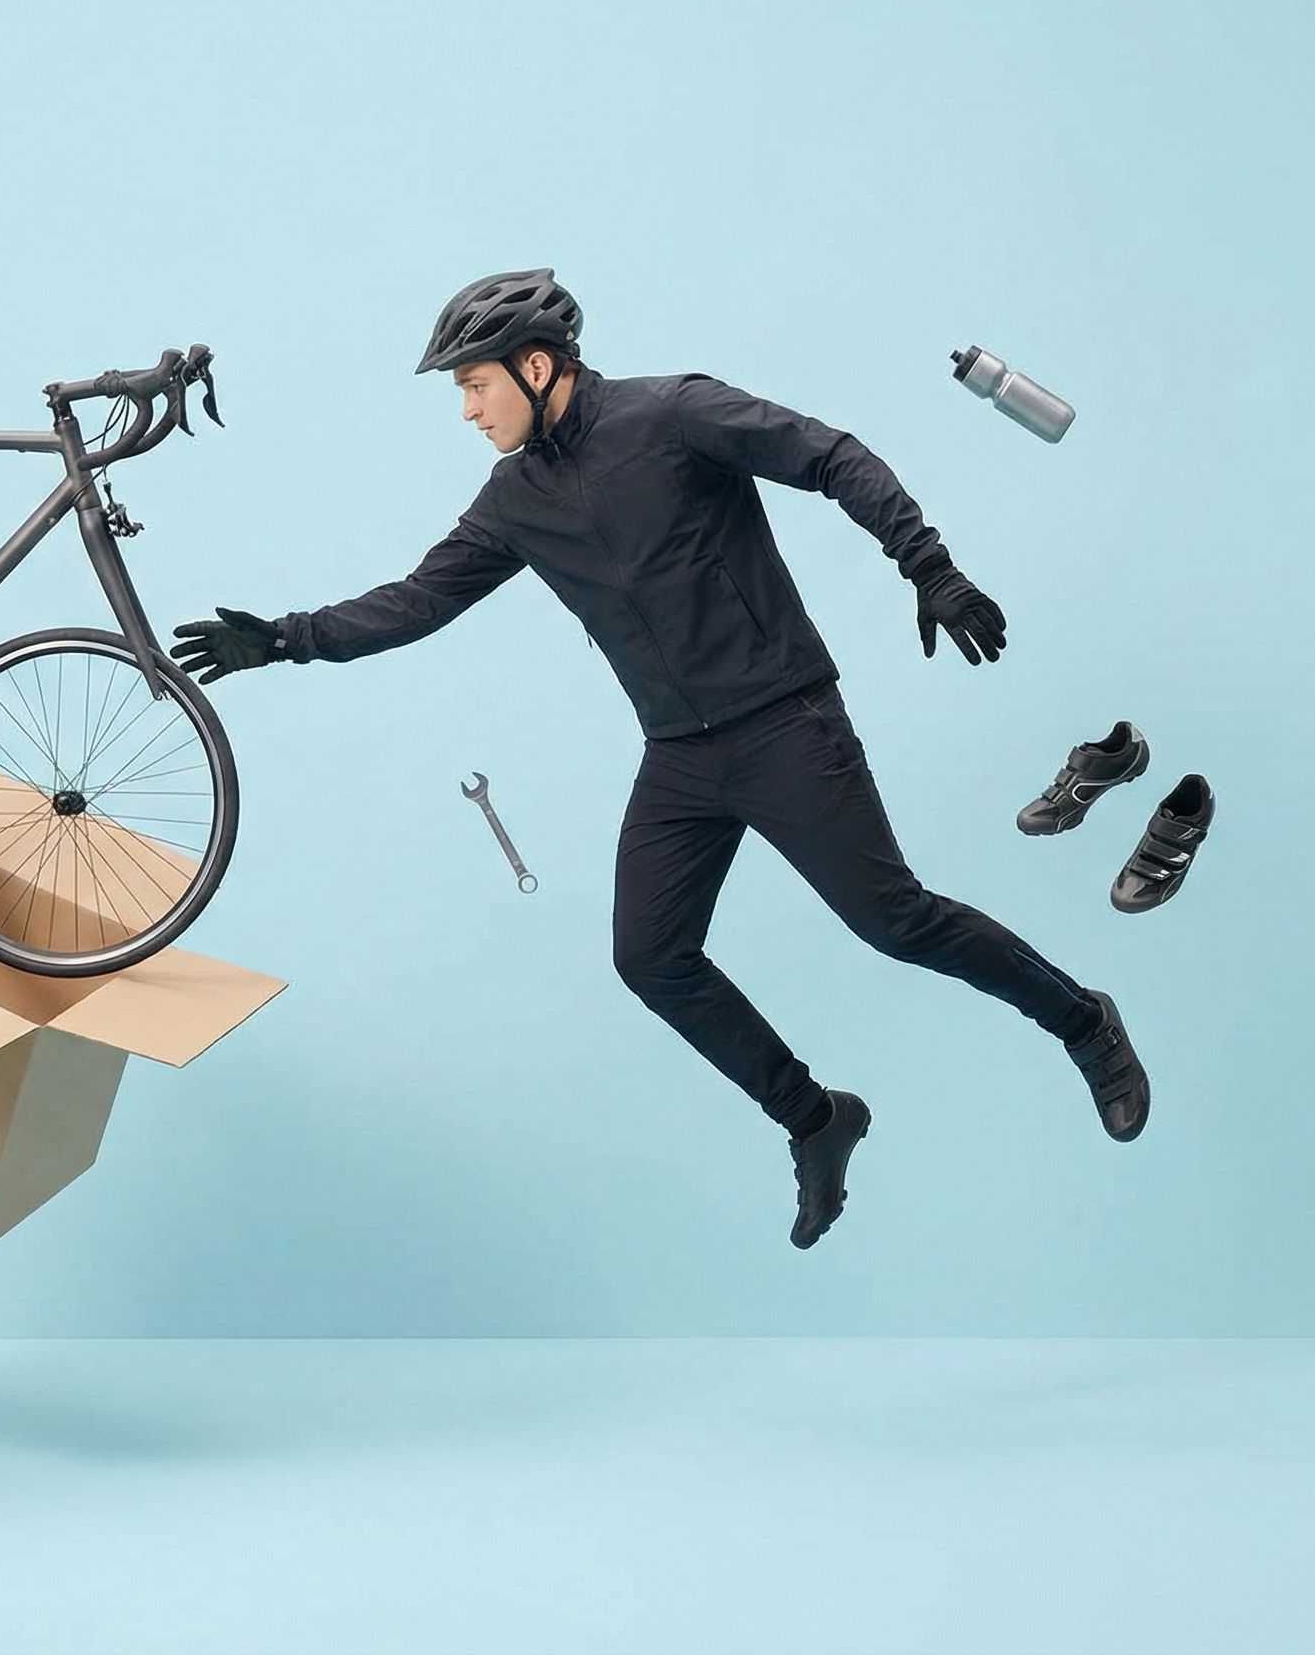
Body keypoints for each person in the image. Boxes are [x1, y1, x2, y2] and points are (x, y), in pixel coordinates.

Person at [172, 269, 1148, 1250]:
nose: (467, 410)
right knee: (650, 957)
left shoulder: (673, 414)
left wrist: (928, 567)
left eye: (474, 385)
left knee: (895, 922)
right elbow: (419, 599)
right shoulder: (515, 502)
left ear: (537, 363)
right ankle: (816, 1118)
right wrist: (288, 638)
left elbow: (830, 455)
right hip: (681, 758)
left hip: (783, 725)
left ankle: (1080, 1019)